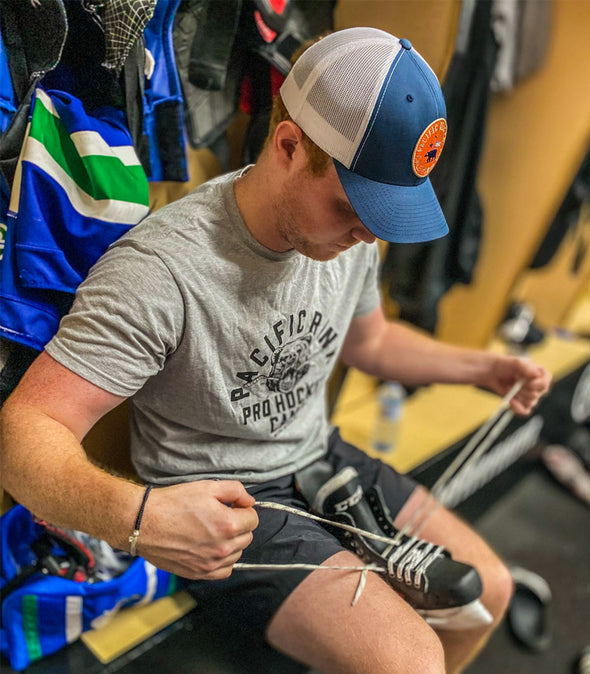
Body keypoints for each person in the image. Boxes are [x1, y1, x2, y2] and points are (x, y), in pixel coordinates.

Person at [0, 28, 551, 673]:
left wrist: (483, 368)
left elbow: (370, 342)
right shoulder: (161, 270)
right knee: (409, 661)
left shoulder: (347, 240)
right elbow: (23, 433)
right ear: (289, 145)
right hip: (226, 503)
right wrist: (141, 517)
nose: (368, 233)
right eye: (353, 206)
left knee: (487, 592)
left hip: (319, 458)